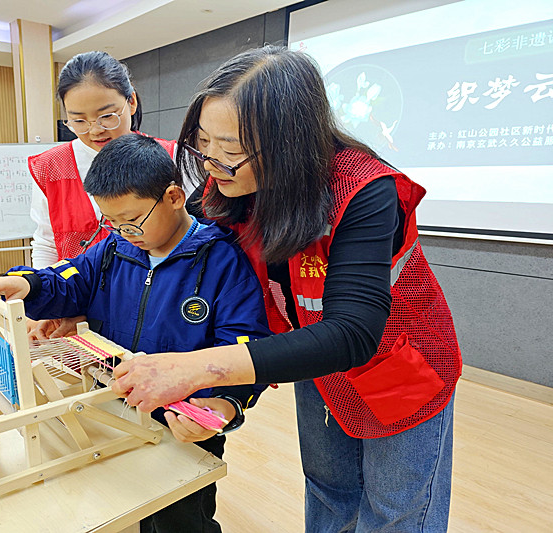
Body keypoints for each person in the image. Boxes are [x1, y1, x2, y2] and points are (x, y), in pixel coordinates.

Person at [111, 45, 462, 532]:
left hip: (400, 364)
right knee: (328, 489)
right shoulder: (226, 189)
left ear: (289, 143)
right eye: (203, 143)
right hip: (312, 359)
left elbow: (352, 333)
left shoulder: (363, 189)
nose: (212, 163)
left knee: (396, 507)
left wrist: (195, 369)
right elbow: (215, 294)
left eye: (231, 150)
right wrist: (227, 398)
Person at [0, 134, 272, 533]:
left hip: (182, 424)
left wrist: (224, 405)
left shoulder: (222, 261)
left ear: (174, 197)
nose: (123, 231)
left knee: (180, 521)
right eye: (111, 222)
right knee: (122, 507)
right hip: (114, 408)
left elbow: (246, 347)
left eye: (131, 221)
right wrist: (26, 286)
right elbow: (69, 282)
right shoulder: (114, 249)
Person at [27, 50, 177, 339]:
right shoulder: (49, 168)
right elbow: (46, 244)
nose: (95, 130)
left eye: (107, 116)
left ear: (131, 101)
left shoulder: (170, 157)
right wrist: (48, 306)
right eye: (79, 121)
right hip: (75, 311)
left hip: (155, 310)